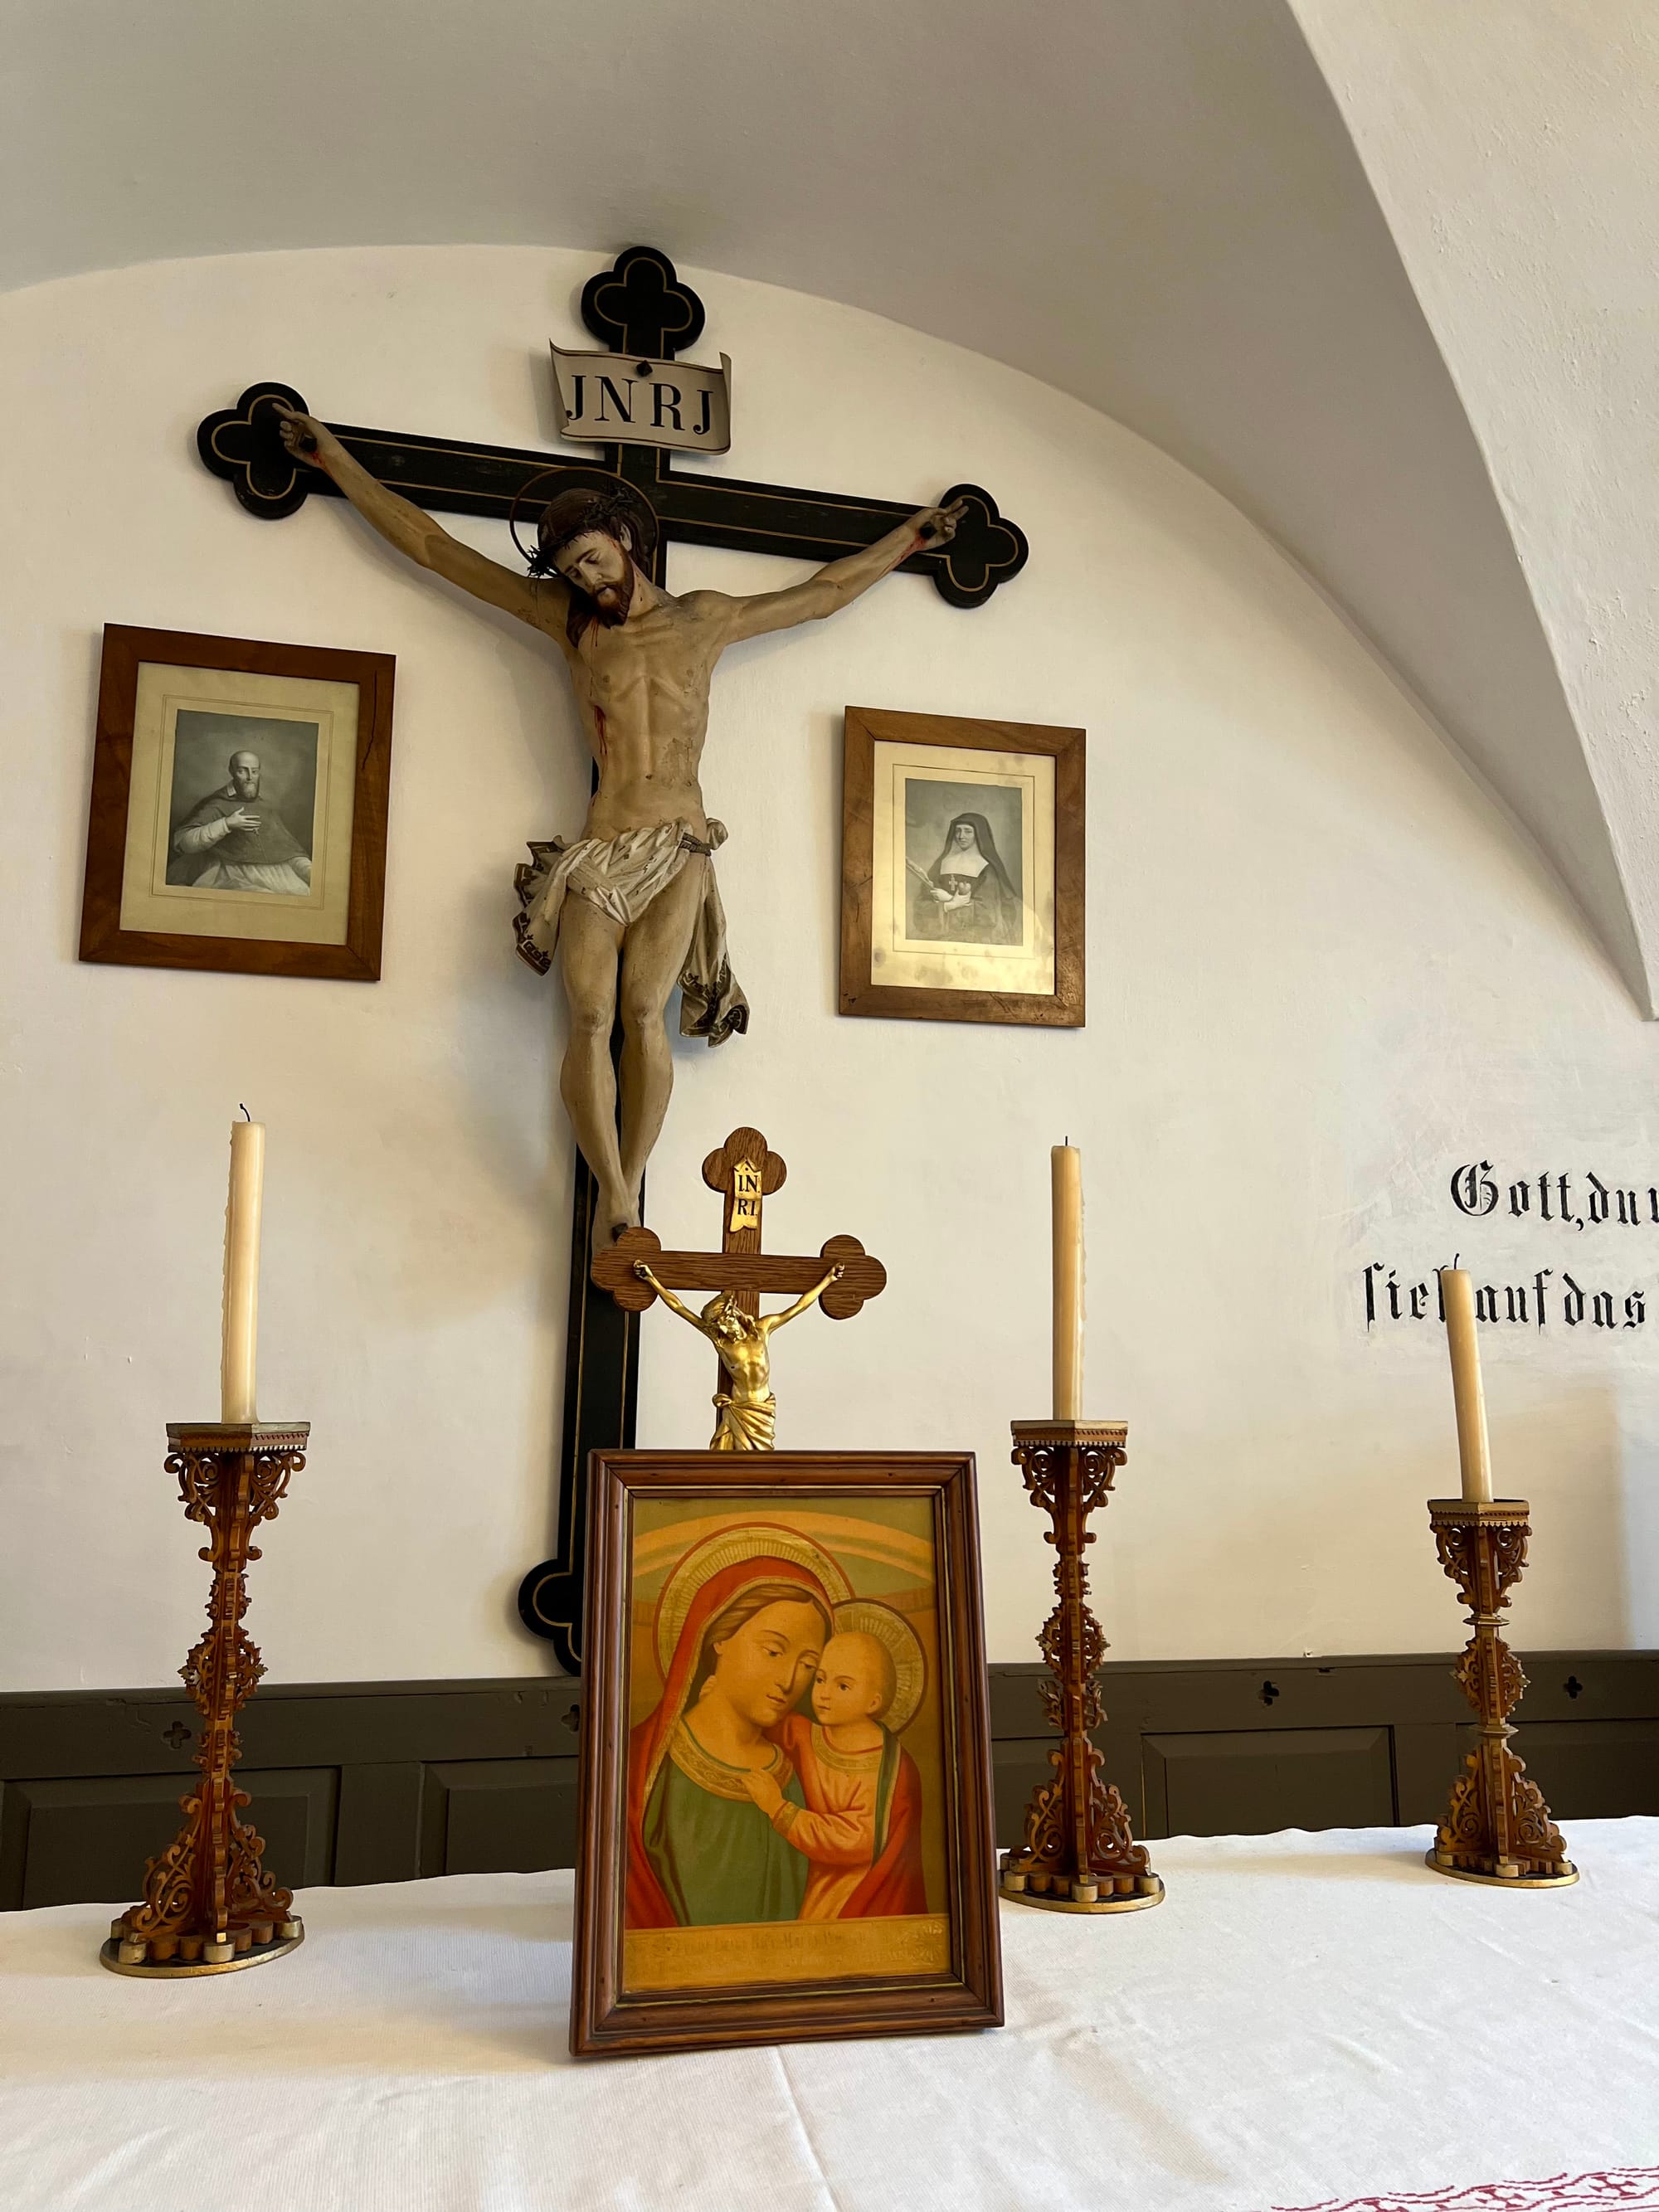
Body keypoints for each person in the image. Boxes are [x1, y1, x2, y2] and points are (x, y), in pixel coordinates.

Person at [275, 400, 966, 1242]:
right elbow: (434, 547)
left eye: (596, 561)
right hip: (601, 846)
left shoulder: (704, 620)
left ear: (626, 541)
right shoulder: (568, 623)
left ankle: (629, 1181)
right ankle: (614, 1190)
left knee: (644, 1012)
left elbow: (820, 595)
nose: (590, 582)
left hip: (678, 845)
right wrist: (334, 461)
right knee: (590, 1013)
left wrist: (910, 541)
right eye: (573, 572)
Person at [626, 1533, 849, 1929]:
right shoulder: (643, 1767)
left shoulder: (796, 1773)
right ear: (720, 1638)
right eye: (773, 1651)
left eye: (808, 1665)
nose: (788, 1680)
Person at [740, 1606, 927, 1919]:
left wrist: (778, 1809)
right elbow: (761, 1721)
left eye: (842, 1686)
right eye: (820, 1679)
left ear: (873, 1701)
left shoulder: (888, 1768)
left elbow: (855, 1839)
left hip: (856, 1893)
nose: (824, 1694)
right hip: (814, 1883)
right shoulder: (804, 1734)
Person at [634, 1259, 843, 1451]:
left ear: (734, 1313)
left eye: (726, 1321)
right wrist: (652, 1280)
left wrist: (828, 1280)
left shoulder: (762, 1329)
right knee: (738, 1466)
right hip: (739, 1410)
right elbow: (679, 1307)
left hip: (762, 1409)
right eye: (719, 1326)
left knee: (760, 1467)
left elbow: (799, 1306)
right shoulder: (721, 1342)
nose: (724, 1329)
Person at [171, 749, 312, 894]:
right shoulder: (217, 804)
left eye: (254, 772)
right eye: (242, 771)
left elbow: (289, 851)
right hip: (228, 873)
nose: (250, 777)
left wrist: (309, 871)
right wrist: (226, 824)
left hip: (275, 875)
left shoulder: (266, 808)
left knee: (302, 892)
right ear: (231, 771)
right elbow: (185, 842)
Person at [911, 810, 1019, 943]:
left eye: (968, 831)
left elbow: (988, 915)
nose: (961, 836)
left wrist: (950, 900)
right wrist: (948, 906)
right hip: (939, 938)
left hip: (976, 941)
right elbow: (920, 908)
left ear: (978, 834)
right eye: (958, 831)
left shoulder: (987, 869)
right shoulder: (942, 864)